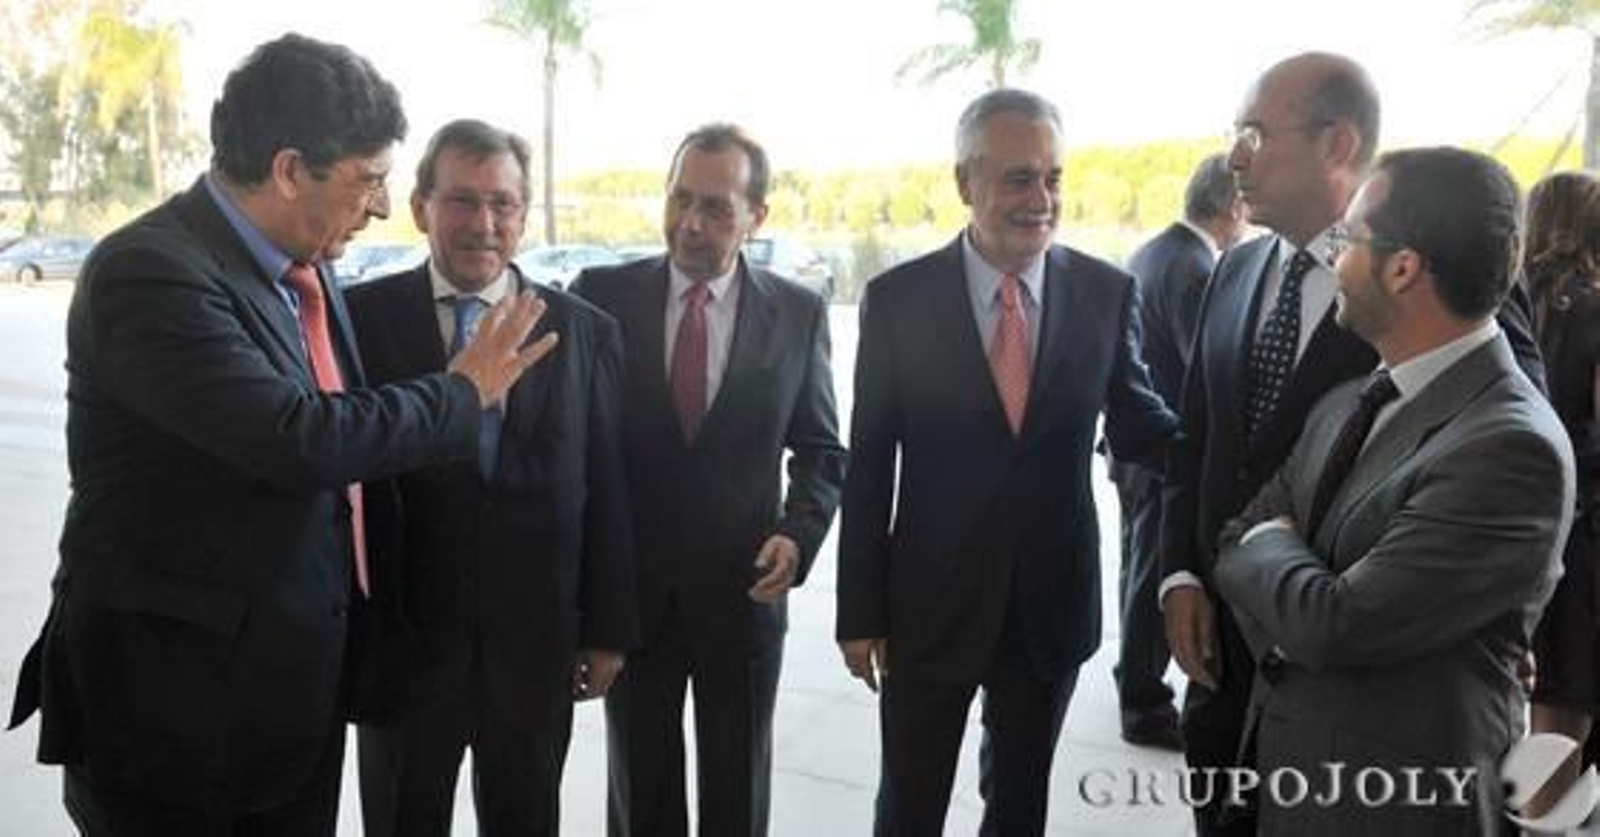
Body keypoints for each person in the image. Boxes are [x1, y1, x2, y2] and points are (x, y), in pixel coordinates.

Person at [6, 34, 555, 835]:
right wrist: (461, 392)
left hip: (289, 703)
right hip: (177, 714)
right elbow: (299, 438)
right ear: (292, 168)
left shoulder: (307, 265)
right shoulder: (152, 273)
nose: (376, 205)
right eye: (367, 180)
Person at [1157, 52, 1544, 835]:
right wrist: (1179, 575)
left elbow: (1510, 457)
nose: (1235, 156)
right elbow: (1195, 441)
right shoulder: (1233, 270)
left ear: (1338, 143)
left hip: (1364, 699)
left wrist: (1501, 627)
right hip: (1220, 663)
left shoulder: (1441, 272)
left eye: (1256, 133)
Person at [836, 88, 1177, 836]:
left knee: (1020, 805)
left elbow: (1138, 421)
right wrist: (858, 611)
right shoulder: (898, 300)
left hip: (1049, 604)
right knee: (909, 802)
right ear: (966, 184)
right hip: (928, 604)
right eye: (1019, 178)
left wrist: (1225, 457)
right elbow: (869, 466)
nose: (1042, 198)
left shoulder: (1106, 291)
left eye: (1053, 177)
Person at [345, 119, 637, 837]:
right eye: (462, 201)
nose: (484, 224)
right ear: (420, 208)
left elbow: (608, 489)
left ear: (523, 214)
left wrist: (607, 631)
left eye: (502, 204)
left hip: (534, 653)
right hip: (405, 654)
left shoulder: (584, 331)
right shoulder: (359, 320)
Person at [569, 123, 845, 837]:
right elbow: (569, 450)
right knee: (640, 790)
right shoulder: (597, 298)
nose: (690, 222)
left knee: (737, 789)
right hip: (632, 602)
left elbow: (819, 449)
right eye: (680, 198)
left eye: (717, 207)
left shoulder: (798, 310)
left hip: (742, 597)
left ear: (758, 216)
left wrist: (799, 529)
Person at [1109, 152, 1242, 750]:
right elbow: (1202, 376)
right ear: (1232, 205)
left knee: (1136, 568)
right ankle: (1143, 700)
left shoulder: (1154, 250)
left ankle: (1133, 680)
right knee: (1151, 575)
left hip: (1131, 449)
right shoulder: (1194, 266)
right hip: (1161, 448)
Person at [1523, 170, 1600, 788]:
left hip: (1515, 521)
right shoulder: (1595, 306)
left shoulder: (1506, 298)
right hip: (1583, 531)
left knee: (1532, 704)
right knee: (1564, 709)